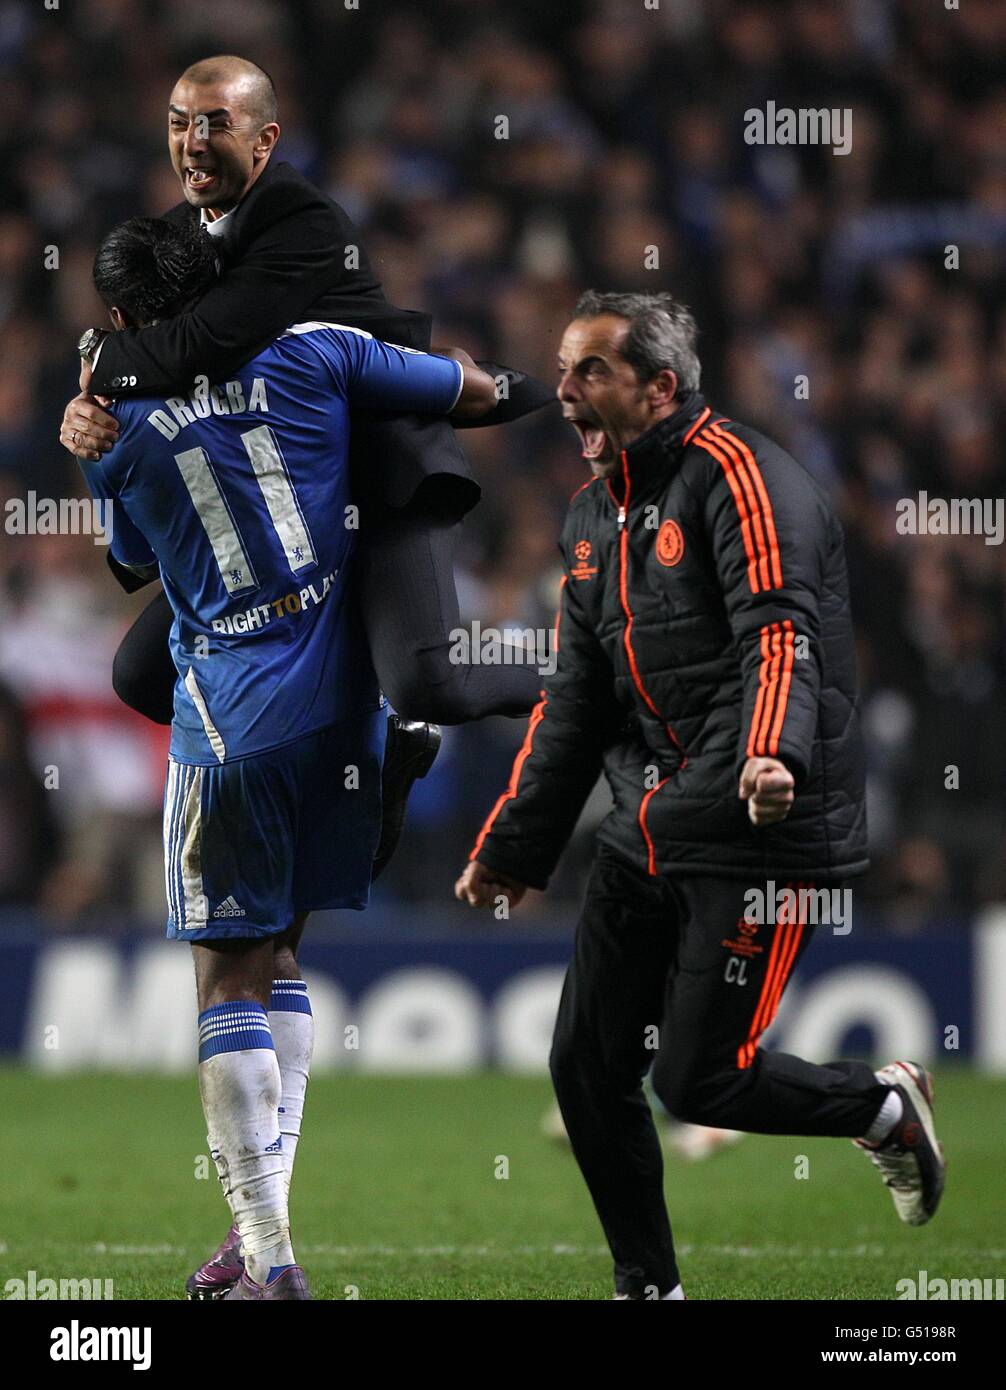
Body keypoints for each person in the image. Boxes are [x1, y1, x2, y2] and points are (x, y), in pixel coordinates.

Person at [455, 291, 945, 1300]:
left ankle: (883, 1106)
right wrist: (515, 842)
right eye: (563, 368)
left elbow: (780, 631)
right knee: (586, 1071)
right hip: (648, 820)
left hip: (764, 827)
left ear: (659, 386)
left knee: (698, 1080)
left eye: (590, 370)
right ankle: (649, 1287)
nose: (564, 391)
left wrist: (771, 755)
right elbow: (575, 700)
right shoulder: (593, 515)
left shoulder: (742, 478)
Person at [81, 214, 498, 1301]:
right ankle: (255, 1239)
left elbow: (133, 559)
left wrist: (98, 435)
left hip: (233, 721)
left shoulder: (117, 426)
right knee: (284, 967)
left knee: (225, 976)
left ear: (126, 321)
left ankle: (271, 1259)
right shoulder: (312, 347)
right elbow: (462, 387)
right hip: (347, 705)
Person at [58, 54, 554, 871]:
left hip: (378, 476)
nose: (193, 141)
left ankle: (588, 669)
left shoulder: (299, 218)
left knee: (429, 681)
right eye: (180, 123)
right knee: (143, 673)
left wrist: (98, 366)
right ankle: (366, 751)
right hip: (281, 511)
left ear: (266, 140)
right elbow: (157, 333)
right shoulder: (186, 229)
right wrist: (90, 406)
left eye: (215, 122)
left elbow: (199, 346)